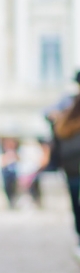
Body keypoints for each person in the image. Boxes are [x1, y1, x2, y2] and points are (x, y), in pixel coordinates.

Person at [48, 93, 80, 255]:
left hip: (71, 167)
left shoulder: (65, 119)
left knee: (76, 203)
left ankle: (79, 237)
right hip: (73, 166)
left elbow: (56, 142)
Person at [1, 138, 19, 209]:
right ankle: (10, 202)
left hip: (14, 174)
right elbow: (2, 164)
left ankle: (14, 202)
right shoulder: (4, 154)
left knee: (15, 188)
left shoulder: (16, 153)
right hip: (7, 174)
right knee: (8, 188)